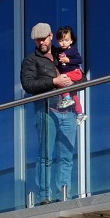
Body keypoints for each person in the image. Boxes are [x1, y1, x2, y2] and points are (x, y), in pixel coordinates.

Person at [20, 22, 78, 204]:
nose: (41, 43)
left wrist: (70, 79)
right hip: (47, 111)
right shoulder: (30, 60)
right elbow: (28, 85)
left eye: (43, 38)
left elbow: (81, 74)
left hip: (68, 111)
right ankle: (45, 196)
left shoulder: (64, 52)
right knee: (45, 155)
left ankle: (64, 194)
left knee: (66, 156)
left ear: (51, 36)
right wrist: (55, 81)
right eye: (37, 40)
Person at [53, 26, 86, 115]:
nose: (63, 43)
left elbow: (80, 60)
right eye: (61, 40)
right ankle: (79, 113)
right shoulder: (58, 51)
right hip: (69, 73)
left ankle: (67, 99)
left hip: (75, 72)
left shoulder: (73, 50)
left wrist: (69, 61)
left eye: (66, 40)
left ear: (71, 41)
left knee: (61, 82)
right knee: (74, 93)